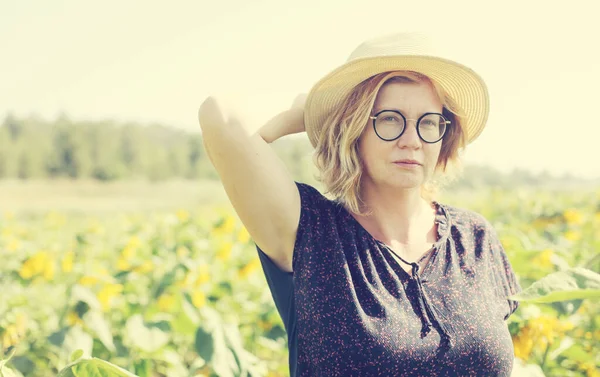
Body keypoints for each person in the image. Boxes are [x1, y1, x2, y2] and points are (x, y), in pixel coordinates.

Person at [198, 32, 522, 377]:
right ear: (353, 127)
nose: (411, 140)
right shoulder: (310, 232)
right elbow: (222, 116)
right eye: (389, 119)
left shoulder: (473, 237)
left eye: (428, 122)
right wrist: (318, 108)